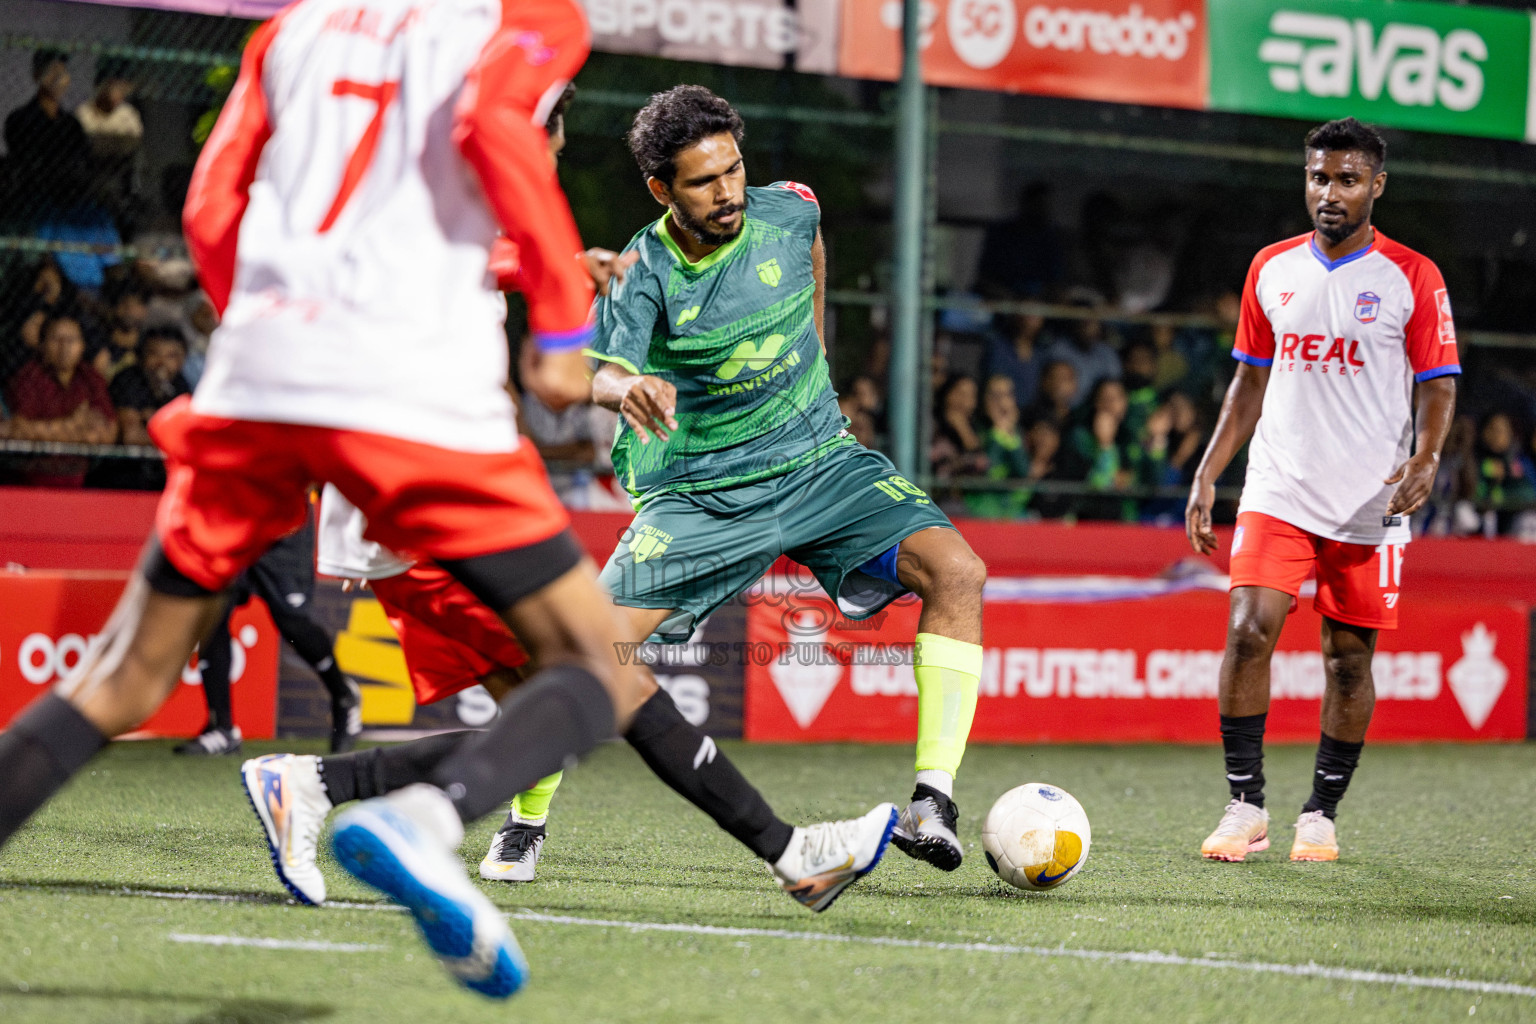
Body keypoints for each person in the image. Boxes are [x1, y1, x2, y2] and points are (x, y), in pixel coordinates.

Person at [0, 0, 663, 1000]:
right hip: (404, 385)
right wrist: (563, 338)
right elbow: (497, 134)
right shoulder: (531, 20)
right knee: (593, 665)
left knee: (122, 679)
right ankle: (420, 818)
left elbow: (210, 207)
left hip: (258, 371)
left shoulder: (291, 32)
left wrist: (266, 324)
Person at [246, 91, 895, 911]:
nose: (548, 159)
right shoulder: (445, 220)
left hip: (413, 512)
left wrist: (556, 279)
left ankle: (314, 785)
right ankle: (790, 852)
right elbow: (548, 371)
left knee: (557, 716)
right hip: (431, 503)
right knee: (600, 680)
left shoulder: (432, 218)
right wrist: (592, 336)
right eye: (545, 143)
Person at [589, 85, 988, 873]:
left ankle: (932, 801)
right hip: (704, 491)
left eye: (734, 169)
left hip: (819, 465)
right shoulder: (643, 270)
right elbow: (600, 371)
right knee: (590, 653)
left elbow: (810, 252)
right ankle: (524, 824)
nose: (728, 191)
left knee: (958, 571)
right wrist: (622, 389)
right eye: (703, 181)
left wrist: (814, 354)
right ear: (661, 189)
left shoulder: (790, 209)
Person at [1185, 117, 1459, 864]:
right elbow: (1249, 377)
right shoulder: (1271, 267)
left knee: (1347, 660)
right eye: (1317, 177)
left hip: (1370, 501)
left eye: (1345, 179)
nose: (1328, 192)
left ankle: (1321, 813)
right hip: (1279, 487)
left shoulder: (1413, 275)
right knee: (1247, 630)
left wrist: (1427, 458)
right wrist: (1211, 470)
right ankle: (1245, 804)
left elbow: (1439, 383)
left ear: (1376, 185)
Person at [177, 507, 361, 757]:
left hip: (283, 524)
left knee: (293, 623)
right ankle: (222, 728)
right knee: (213, 610)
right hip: (233, 520)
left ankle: (343, 695)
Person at [4, 311, 116, 486]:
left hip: (82, 477)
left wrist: (48, 430)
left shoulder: (90, 378)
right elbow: (19, 432)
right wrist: (73, 425)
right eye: (56, 339)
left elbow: (106, 434)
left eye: (71, 340)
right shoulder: (28, 377)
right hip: (31, 478)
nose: (64, 347)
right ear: (42, 345)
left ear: (83, 346)